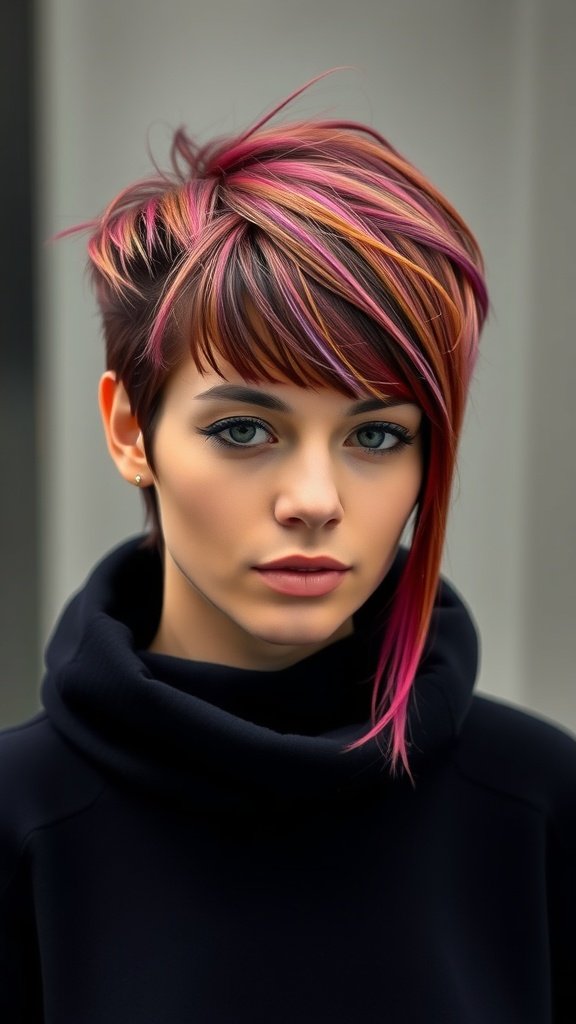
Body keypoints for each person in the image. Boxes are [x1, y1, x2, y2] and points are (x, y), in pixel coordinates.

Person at [0, 80, 574, 1023]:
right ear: (129, 428)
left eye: (377, 436)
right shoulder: (23, 822)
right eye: (242, 431)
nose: (314, 502)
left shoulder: (540, 804)